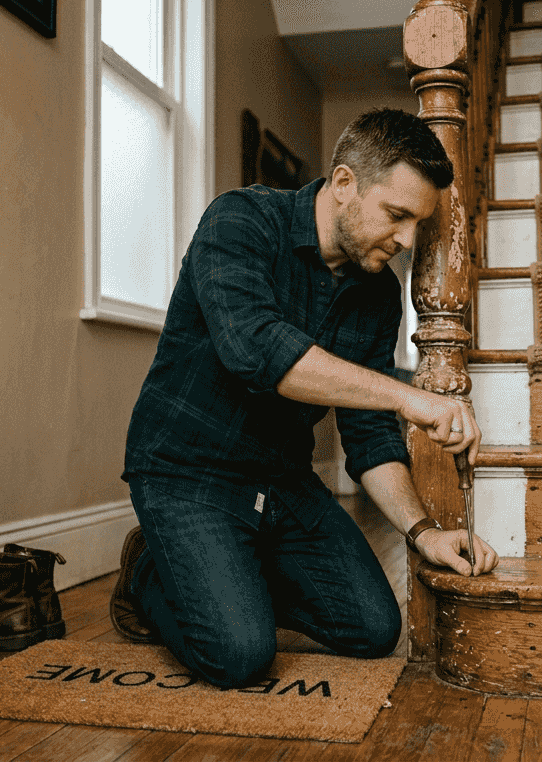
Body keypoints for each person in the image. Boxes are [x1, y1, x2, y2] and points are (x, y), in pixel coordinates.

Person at [111, 108, 499, 689]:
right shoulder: (239, 220)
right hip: (187, 470)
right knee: (241, 655)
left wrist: (423, 532)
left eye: (417, 224)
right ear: (344, 183)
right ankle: (146, 571)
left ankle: (225, 574)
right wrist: (408, 398)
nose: (406, 241)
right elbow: (256, 349)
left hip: (281, 481)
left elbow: (368, 435)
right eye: (397, 215)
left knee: (373, 628)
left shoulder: (378, 297)